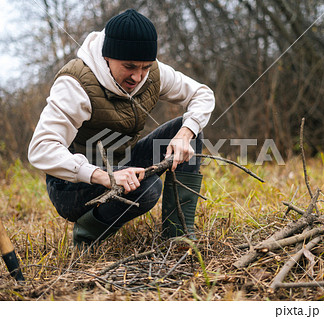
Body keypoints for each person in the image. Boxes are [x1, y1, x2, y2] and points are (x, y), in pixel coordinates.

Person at [28, 9, 215, 248]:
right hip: (73, 185)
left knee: (189, 127)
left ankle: (178, 234)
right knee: (147, 188)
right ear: (107, 57)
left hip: (122, 163)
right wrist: (104, 176)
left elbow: (202, 93)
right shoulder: (76, 84)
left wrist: (185, 134)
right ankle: (86, 235)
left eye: (145, 67)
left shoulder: (152, 74)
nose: (138, 77)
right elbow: (41, 148)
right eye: (130, 66)